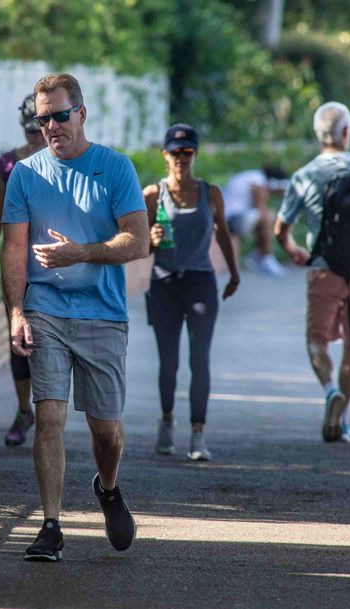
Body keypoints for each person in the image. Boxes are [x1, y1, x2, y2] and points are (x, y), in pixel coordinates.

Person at [1, 73, 149, 561]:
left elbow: (137, 241)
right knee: (49, 415)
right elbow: (13, 249)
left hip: (103, 313)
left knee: (106, 431)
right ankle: (51, 525)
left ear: (81, 114)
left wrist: (82, 252)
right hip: (45, 308)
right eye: (42, 119)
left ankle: (107, 487)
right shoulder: (26, 174)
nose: (51, 126)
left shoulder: (114, 167)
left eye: (60, 116)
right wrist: (16, 312)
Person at [274, 101, 350, 443]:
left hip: (323, 268)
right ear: (345, 132)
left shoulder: (304, 175)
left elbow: (280, 230)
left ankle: (330, 391)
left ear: (319, 135)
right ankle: (344, 420)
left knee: (317, 341)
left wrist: (295, 251)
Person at [144, 124, 240, 461]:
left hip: (200, 282)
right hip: (164, 283)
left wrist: (234, 273)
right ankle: (167, 421)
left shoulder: (210, 193)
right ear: (165, 154)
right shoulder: (152, 195)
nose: (181, 158)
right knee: (168, 362)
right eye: (175, 152)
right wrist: (151, 240)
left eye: (187, 152)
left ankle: (198, 434)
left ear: (195, 154)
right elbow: (137, 246)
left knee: (200, 359)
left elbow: (223, 233)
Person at [0, 93, 47, 447]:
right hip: (17, 263)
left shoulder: (62, 160)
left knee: (51, 339)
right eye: (29, 131)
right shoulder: (8, 164)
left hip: (52, 263)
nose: (35, 137)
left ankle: (49, 411)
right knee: (19, 338)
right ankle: (25, 409)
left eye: (39, 130)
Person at [223, 165, 288, 277]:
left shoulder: (252, 176)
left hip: (231, 218)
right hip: (230, 220)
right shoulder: (258, 180)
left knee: (266, 216)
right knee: (268, 216)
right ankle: (264, 257)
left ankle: (258, 254)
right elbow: (260, 208)